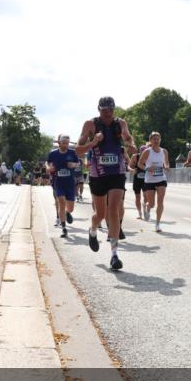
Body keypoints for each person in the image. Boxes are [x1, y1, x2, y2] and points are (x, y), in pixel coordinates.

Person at [76, 96, 136, 270]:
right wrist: (93, 141)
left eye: (111, 110)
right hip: (98, 174)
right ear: (98, 109)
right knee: (100, 214)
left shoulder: (120, 123)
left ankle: (114, 255)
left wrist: (131, 144)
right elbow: (79, 150)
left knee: (114, 210)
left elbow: (128, 137)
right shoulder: (90, 125)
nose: (108, 113)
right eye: (104, 110)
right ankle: (93, 230)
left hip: (116, 172)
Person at [48, 135, 80, 238]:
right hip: (59, 182)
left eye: (67, 143)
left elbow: (78, 163)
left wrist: (73, 165)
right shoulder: (53, 154)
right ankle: (64, 228)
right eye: (64, 143)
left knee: (70, 208)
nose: (66, 145)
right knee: (61, 202)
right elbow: (47, 163)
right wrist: (49, 168)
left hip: (70, 183)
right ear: (59, 143)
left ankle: (67, 212)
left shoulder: (72, 152)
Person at [139, 132, 169, 232]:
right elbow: (140, 164)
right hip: (149, 180)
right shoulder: (147, 151)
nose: (156, 141)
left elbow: (166, 162)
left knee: (160, 202)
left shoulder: (164, 151)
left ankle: (157, 224)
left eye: (158, 139)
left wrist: (167, 166)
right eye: (154, 139)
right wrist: (147, 168)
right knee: (152, 204)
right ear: (151, 141)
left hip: (161, 179)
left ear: (160, 139)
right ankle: (147, 207)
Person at [127, 146, 146, 219]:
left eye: (145, 152)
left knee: (146, 196)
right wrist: (132, 170)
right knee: (137, 197)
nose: (144, 154)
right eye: (142, 152)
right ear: (140, 152)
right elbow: (129, 167)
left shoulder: (149, 157)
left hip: (146, 180)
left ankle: (144, 207)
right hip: (137, 179)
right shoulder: (135, 156)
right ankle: (139, 213)